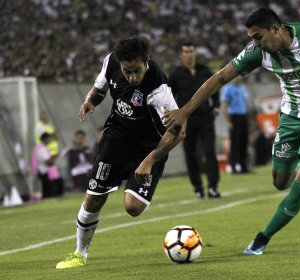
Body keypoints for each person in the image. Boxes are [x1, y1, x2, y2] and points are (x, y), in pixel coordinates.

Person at [164, 7, 300, 255]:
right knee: (280, 182)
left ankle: (261, 239)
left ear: (276, 29)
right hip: (290, 120)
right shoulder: (257, 52)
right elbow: (221, 77)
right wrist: (184, 112)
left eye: (258, 37)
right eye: (251, 38)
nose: (255, 43)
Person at [56, 34, 184, 269]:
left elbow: (178, 131)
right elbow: (100, 88)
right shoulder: (112, 61)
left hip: (147, 148)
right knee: (93, 198)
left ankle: (141, 180)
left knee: (133, 208)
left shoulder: (158, 87)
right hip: (116, 141)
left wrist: (150, 160)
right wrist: (90, 101)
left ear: (146, 61)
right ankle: (79, 253)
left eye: (137, 71)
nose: (132, 77)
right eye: (127, 72)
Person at [168, 42, 221, 199]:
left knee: (210, 152)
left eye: (191, 51)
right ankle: (198, 188)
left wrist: (216, 106)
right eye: (186, 52)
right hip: (187, 120)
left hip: (206, 117)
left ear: (195, 53)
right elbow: (169, 95)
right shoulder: (176, 75)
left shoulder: (205, 71)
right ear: (181, 55)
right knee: (191, 154)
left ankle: (213, 187)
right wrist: (175, 114)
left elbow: (216, 87)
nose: (189, 54)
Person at [221, 76, 252, 173]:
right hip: (234, 117)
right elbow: (224, 106)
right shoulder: (227, 89)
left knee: (244, 142)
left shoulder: (243, 88)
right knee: (235, 143)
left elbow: (246, 103)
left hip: (243, 117)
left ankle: (244, 167)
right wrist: (228, 121)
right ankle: (233, 167)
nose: (238, 78)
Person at [31, 132, 63, 198]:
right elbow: (47, 162)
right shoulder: (41, 149)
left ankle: (49, 198)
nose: (50, 140)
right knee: (49, 188)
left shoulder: (40, 147)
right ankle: (55, 198)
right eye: (49, 138)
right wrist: (55, 155)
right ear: (45, 139)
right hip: (43, 171)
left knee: (46, 188)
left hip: (42, 171)